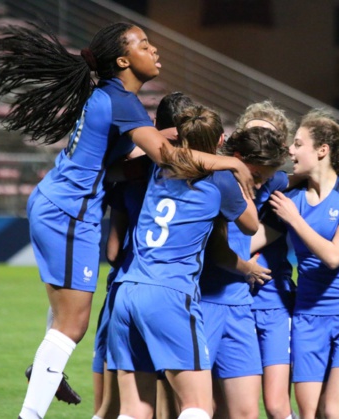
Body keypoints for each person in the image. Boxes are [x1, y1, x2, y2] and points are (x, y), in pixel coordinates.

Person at [0, 22, 254, 419]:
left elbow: (119, 164)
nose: (154, 49)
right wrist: (228, 160)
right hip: (71, 211)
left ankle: (47, 362)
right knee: (72, 326)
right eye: (144, 44)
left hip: (56, 201)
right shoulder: (122, 101)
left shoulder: (111, 98)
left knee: (64, 321)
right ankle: (32, 406)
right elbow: (168, 158)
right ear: (123, 60)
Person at [107, 105, 259, 419]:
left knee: (134, 409)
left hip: (127, 290)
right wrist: (236, 169)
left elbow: (119, 167)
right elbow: (251, 225)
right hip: (169, 294)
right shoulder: (220, 179)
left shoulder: (156, 165)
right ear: (220, 140)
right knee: (198, 406)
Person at [265, 109, 339, 419]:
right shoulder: (292, 195)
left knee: (334, 410)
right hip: (308, 316)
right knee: (310, 413)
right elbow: (256, 238)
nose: (290, 150)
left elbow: (333, 256)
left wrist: (295, 220)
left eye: (298, 143)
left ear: (322, 150)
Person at [91, 92, 195, 419]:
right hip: (173, 295)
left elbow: (111, 250)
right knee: (181, 404)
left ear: (154, 125)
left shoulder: (131, 174)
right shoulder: (201, 178)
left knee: (113, 406)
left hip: (125, 289)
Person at [198, 125, 289, 419]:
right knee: (196, 408)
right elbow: (216, 251)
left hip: (239, 306)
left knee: (247, 413)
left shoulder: (252, 181)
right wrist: (249, 268)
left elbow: (299, 175)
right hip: (204, 303)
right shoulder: (218, 182)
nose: (262, 184)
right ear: (237, 158)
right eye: (259, 176)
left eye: (267, 178)